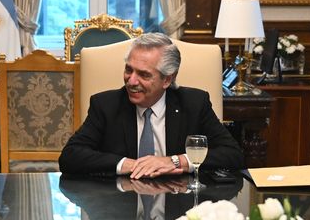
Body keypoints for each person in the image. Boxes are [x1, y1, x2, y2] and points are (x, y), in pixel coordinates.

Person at [58, 33, 245, 177]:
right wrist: (129, 164)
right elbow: (70, 157)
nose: (131, 81)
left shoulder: (194, 104)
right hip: (120, 208)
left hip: (179, 207)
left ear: (167, 79)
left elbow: (232, 154)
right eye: (128, 70)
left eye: (144, 75)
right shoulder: (106, 105)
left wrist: (176, 162)